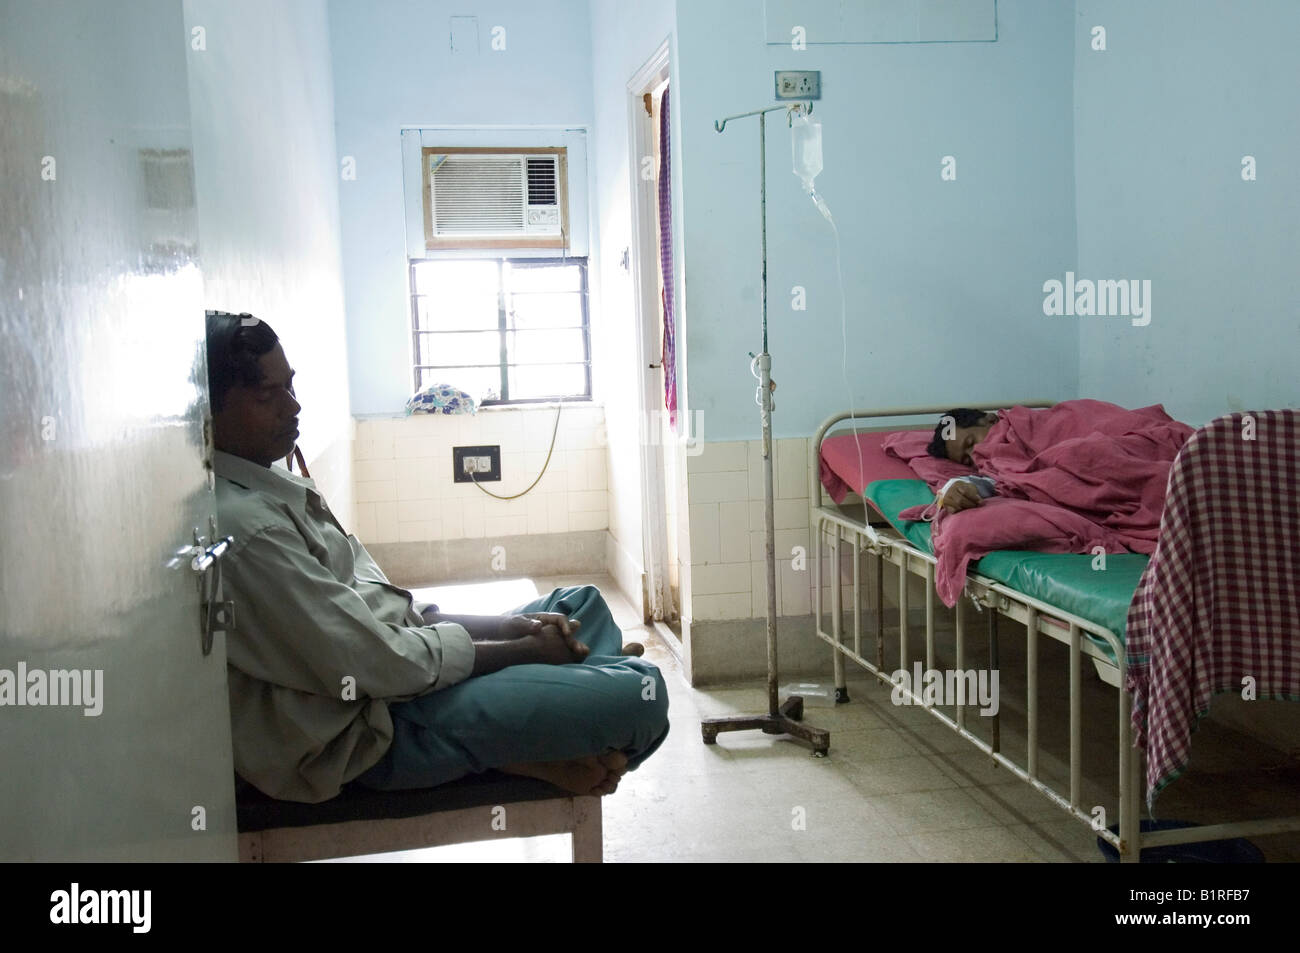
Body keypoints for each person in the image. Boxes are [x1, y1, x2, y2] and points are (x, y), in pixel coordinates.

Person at [205, 311, 669, 804]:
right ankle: (561, 731)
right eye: (266, 396)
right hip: (377, 723)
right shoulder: (250, 532)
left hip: (401, 669)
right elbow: (378, 662)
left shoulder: (270, 488)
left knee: (582, 604)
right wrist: (521, 652)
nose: (292, 407)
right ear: (211, 411)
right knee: (643, 694)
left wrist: (501, 628)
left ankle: (558, 731)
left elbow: (383, 609)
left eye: (290, 386)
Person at [925, 408, 1000, 514]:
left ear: (991, 420)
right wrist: (952, 488)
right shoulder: (996, 472)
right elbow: (993, 483)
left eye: (971, 443)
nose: (974, 456)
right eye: (967, 460)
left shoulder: (1024, 426)